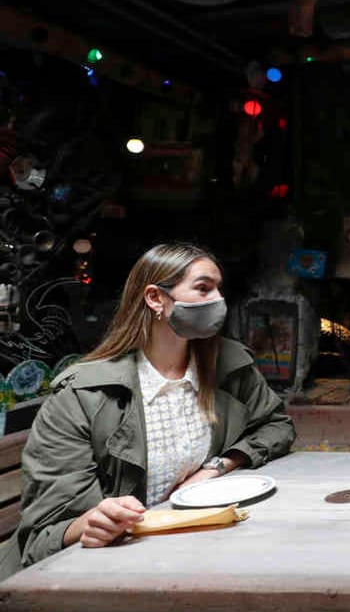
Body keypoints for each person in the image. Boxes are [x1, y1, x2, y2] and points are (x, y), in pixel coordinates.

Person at [1, 243, 295, 579]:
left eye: (218, 289)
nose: (218, 301)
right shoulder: (83, 393)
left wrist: (216, 467)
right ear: (156, 298)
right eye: (203, 288)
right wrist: (92, 523)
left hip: (179, 554)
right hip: (89, 574)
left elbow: (276, 427)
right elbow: (43, 535)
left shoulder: (226, 364)